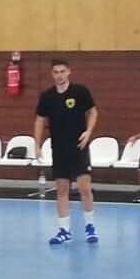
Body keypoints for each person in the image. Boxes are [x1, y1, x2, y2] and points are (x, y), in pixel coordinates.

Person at [34, 59, 99, 245]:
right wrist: (37, 144)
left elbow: (93, 112)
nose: (59, 75)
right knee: (62, 190)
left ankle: (90, 227)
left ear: (69, 72)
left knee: (84, 188)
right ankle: (64, 231)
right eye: (56, 72)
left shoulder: (80, 91)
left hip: (79, 147)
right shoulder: (47, 96)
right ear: (52, 74)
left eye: (62, 71)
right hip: (59, 149)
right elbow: (39, 120)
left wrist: (88, 131)